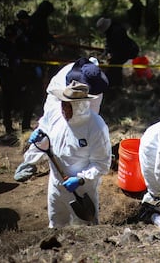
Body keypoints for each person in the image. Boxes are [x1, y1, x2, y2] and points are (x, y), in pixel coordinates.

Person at [26, 80, 111, 227]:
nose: (63, 109)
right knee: (56, 223)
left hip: (82, 190)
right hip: (56, 184)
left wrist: (79, 179)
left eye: (67, 105)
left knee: (85, 229)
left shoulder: (96, 127)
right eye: (62, 104)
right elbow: (44, 126)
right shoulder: (56, 114)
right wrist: (38, 134)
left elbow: (101, 164)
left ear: (79, 106)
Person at [14, 57, 109, 182]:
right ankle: (30, 162)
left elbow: (92, 113)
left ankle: (75, 159)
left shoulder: (96, 86)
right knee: (47, 131)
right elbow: (51, 117)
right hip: (58, 97)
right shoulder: (67, 79)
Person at [0, 24, 22, 134]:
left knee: (9, 100)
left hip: (7, 75)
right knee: (8, 101)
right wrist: (9, 68)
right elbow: (0, 62)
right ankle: (8, 126)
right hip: (7, 76)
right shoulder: (3, 47)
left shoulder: (4, 46)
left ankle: (8, 124)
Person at [96, 17, 140, 88]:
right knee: (114, 67)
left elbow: (119, 47)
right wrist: (105, 53)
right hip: (122, 51)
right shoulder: (111, 31)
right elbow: (109, 44)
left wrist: (111, 56)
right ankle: (115, 85)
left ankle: (115, 86)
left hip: (128, 51)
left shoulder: (117, 31)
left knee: (115, 68)